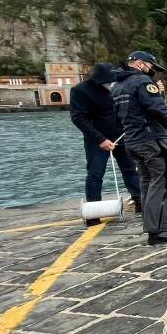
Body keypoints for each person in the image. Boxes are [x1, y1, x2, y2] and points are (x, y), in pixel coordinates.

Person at [111, 50, 167, 244]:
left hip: (132, 142)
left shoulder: (117, 87)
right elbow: (159, 112)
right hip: (151, 141)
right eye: (152, 67)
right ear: (140, 63)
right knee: (162, 184)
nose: (153, 71)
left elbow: (117, 120)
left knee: (147, 183)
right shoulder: (143, 83)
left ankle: (153, 226)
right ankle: (160, 231)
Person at [70, 62, 144, 226]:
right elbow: (79, 118)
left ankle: (140, 202)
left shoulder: (118, 86)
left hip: (121, 136)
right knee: (95, 174)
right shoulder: (80, 90)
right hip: (96, 140)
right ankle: (93, 212)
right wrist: (100, 139)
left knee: (131, 170)